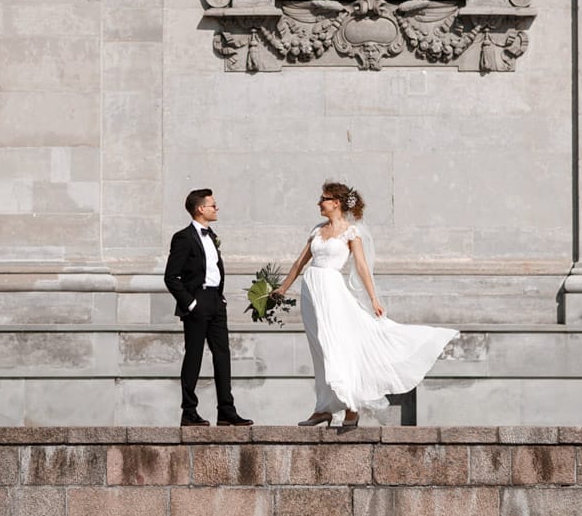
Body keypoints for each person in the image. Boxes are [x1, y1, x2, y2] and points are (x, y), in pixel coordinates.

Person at [274, 181, 458, 432]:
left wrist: (373, 299)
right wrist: (282, 289)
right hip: (311, 292)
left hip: (332, 291)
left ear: (336, 203)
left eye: (324, 199)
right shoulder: (317, 230)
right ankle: (323, 407)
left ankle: (351, 405)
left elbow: (361, 267)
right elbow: (299, 263)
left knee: (337, 346)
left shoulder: (351, 233)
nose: (319, 203)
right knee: (319, 348)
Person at [163, 187, 253, 427]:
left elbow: (214, 269)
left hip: (216, 301)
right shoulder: (183, 237)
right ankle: (189, 412)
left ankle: (226, 410)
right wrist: (191, 303)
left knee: (223, 355)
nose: (217, 208)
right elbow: (171, 277)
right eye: (213, 205)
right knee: (194, 356)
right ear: (200, 209)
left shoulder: (212, 236)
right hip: (197, 301)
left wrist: (220, 298)